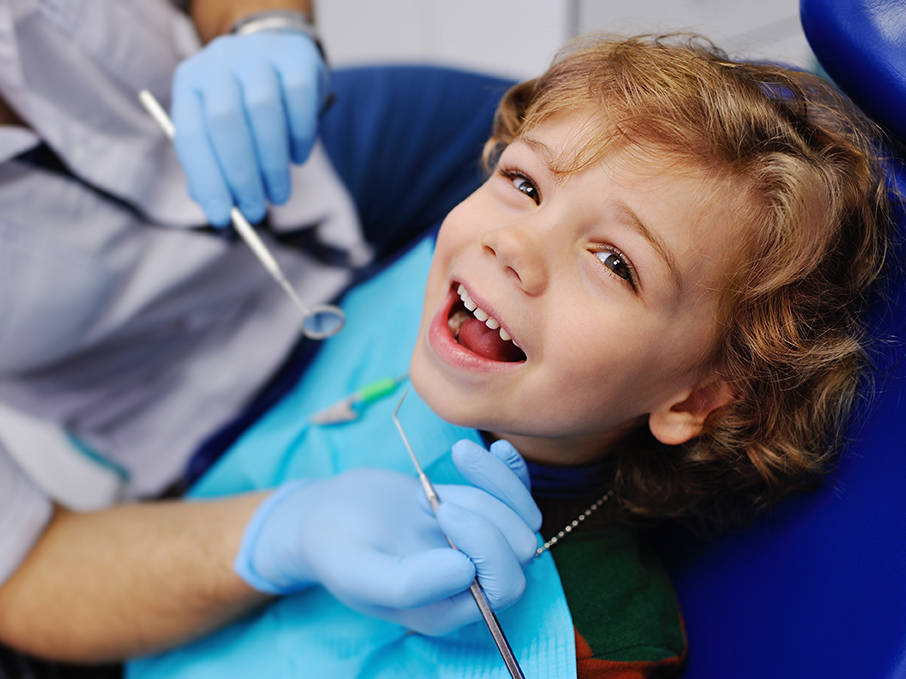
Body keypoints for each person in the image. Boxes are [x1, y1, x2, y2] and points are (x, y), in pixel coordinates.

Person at [126, 32, 897, 679]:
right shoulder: (403, 295)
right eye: (524, 182)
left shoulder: (603, 641)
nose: (514, 242)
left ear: (692, 400)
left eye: (616, 262)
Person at [0, 0, 522, 676]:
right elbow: (25, 569)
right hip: (197, 397)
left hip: (319, 164)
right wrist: (285, 532)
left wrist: (263, 24)